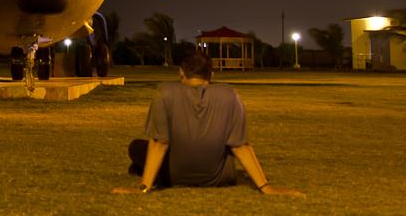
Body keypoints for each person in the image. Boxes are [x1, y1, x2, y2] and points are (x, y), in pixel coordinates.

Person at [112, 52, 303, 196]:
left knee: (137, 147)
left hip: (173, 176)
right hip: (219, 178)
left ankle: (140, 171)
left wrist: (144, 187)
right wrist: (265, 187)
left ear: (181, 73)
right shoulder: (230, 95)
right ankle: (139, 169)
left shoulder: (165, 93)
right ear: (210, 74)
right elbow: (240, 145)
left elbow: (159, 143)